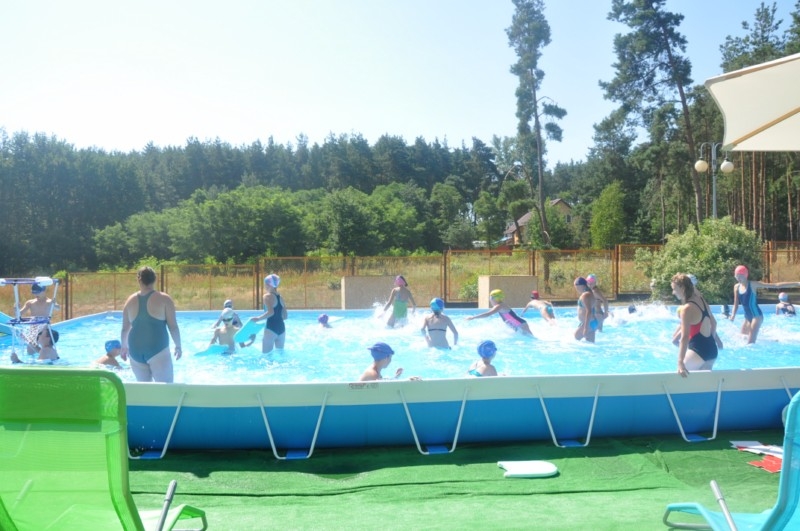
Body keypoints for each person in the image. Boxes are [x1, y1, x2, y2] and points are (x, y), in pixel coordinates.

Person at [120, 266, 182, 383]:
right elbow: (173, 327)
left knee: (145, 391)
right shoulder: (164, 299)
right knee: (166, 389)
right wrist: (178, 346)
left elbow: (124, 329)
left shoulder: (129, 301)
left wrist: (124, 347)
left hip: (135, 352)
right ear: (155, 279)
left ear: (138, 280)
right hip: (157, 349)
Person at [729, 264, 800, 344]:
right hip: (747, 317)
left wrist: (797, 283)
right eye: (736, 276)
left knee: (750, 343)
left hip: (757, 316)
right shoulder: (736, 287)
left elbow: (776, 285)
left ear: (745, 275)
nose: (738, 278)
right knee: (742, 338)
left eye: (740, 276)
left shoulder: (753, 285)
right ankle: (771, 340)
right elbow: (736, 303)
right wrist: (733, 315)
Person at [672, 273, 719, 377]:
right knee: (703, 385)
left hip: (698, 352)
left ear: (682, 288)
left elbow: (684, 337)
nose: (673, 292)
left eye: (674, 289)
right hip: (712, 350)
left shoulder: (686, 309)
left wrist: (680, 362)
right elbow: (714, 323)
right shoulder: (701, 300)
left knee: (679, 380)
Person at [671, 274, 723, 350]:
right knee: (675, 339)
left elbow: (713, 323)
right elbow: (713, 322)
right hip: (698, 324)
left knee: (675, 340)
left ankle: (692, 351)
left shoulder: (694, 297)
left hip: (696, 324)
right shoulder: (695, 297)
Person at [466, 289, 533, 336]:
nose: (490, 300)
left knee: (531, 339)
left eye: (490, 298)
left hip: (521, 325)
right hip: (520, 325)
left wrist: (473, 317)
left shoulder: (499, 306)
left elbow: (487, 314)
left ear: (493, 298)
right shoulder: (501, 305)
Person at [249, 274, 287, 353]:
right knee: (280, 354)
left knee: (266, 355)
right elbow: (285, 316)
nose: (265, 286)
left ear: (269, 284)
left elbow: (271, 312)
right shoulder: (281, 297)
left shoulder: (267, 296)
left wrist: (258, 319)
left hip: (271, 327)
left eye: (265, 284)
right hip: (281, 328)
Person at [574, 277, 597, 343]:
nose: (576, 289)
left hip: (588, 323)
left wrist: (586, 328)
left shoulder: (585, 295)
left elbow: (589, 311)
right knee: (590, 344)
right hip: (591, 322)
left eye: (576, 287)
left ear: (581, 285)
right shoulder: (589, 293)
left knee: (576, 338)